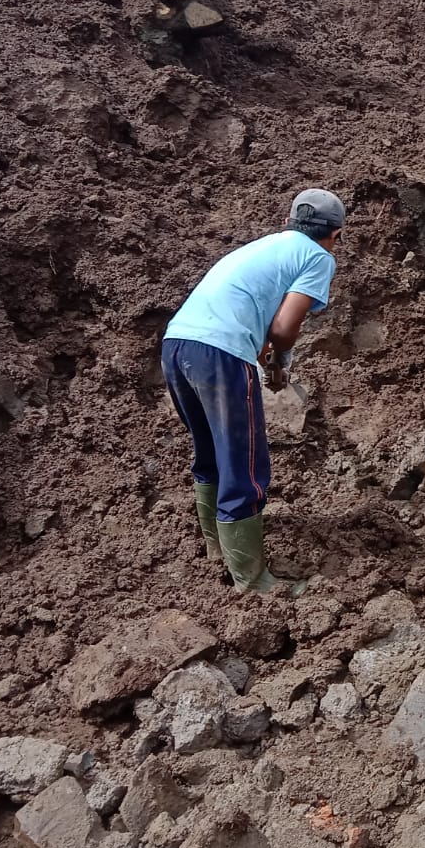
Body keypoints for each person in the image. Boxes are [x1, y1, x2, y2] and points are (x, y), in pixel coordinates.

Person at [162, 189, 344, 593]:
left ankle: (216, 548)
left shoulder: (266, 246)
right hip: (220, 355)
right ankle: (251, 578)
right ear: (334, 234)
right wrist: (282, 360)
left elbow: (252, 313)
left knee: (210, 449)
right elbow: (282, 329)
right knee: (244, 462)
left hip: (177, 344)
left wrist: (271, 358)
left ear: (292, 222)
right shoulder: (318, 257)